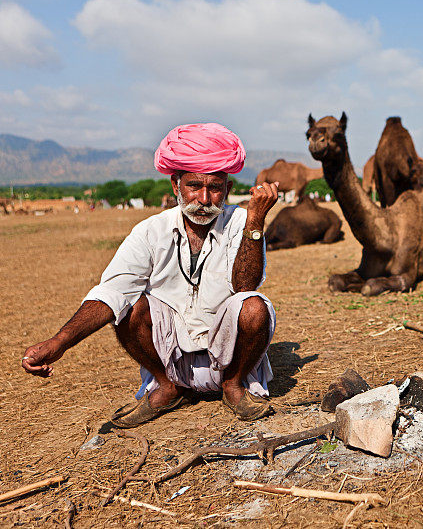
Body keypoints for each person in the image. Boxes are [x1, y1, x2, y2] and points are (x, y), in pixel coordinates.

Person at [21, 123, 281, 427]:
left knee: (254, 306)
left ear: (228, 189)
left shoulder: (242, 220)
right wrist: (60, 342)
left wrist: (256, 221)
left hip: (228, 355)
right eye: (194, 186)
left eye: (215, 188)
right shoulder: (150, 230)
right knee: (127, 306)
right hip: (170, 358)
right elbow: (112, 292)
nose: (205, 199)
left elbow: (245, 286)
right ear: (175, 185)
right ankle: (168, 387)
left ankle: (233, 386)